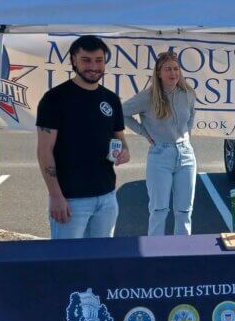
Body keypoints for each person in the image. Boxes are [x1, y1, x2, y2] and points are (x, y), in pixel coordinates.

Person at [36, 35, 129, 239]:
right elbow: (44, 150)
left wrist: (124, 151)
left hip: (107, 196)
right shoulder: (55, 99)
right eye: (86, 60)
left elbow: (120, 137)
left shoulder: (111, 99)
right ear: (73, 60)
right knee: (66, 263)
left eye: (98, 60)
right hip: (71, 199)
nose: (93, 66)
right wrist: (55, 195)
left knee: (100, 259)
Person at [122, 51, 198, 235]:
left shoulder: (187, 93)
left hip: (186, 155)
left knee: (184, 211)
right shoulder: (147, 97)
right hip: (160, 156)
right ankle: (156, 255)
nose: (173, 73)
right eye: (168, 69)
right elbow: (121, 112)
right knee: (159, 210)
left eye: (176, 69)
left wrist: (184, 136)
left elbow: (191, 116)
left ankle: (182, 254)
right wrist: (144, 132)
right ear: (158, 73)